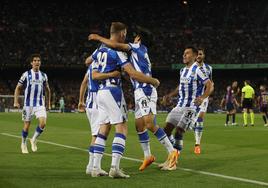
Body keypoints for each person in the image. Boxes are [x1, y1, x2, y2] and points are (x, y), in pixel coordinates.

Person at [89, 28, 178, 171]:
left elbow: (117, 46)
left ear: (138, 39)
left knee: (149, 124)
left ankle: (172, 152)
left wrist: (99, 38)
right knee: (139, 126)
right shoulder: (140, 52)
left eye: (135, 37)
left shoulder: (138, 47)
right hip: (139, 90)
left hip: (145, 89)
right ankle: (148, 156)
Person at [161, 46, 213, 170]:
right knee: (165, 131)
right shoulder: (182, 71)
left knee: (179, 131)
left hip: (191, 107)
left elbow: (210, 85)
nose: (184, 55)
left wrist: (203, 97)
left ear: (195, 56)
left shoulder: (199, 70)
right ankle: (171, 155)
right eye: (184, 53)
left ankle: (173, 161)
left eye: (187, 53)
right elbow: (180, 87)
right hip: (179, 105)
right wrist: (170, 95)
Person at [78, 56, 120, 176]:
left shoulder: (92, 66)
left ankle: (92, 166)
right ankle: (92, 166)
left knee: (97, 134)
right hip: (98, 103)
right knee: (97, 136)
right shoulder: (102, 66)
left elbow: (84, 82)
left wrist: (81, 100)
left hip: (90, 103)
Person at [14, 54, 51, 154]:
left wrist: (48, 103)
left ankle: (33, 139)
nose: (37, 62)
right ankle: (23, 143)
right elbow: (18, 88)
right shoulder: (26, 74)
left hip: (39, 104)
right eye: (35, 60)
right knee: (26, 126)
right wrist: (16, 101)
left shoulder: (44, 75)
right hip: (28, 105)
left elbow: (47, 90)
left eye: (38, 60)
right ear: (31, 63)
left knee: (43, 123)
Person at [192, 48, 213, 155]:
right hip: (191, 98)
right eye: (197, 54)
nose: (199, 56)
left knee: (200, 118)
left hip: (203, 97)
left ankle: (197, 144)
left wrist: (206, 96)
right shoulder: (191, 67)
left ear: (204, 55)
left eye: (201, 54)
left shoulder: (209, 68)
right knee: (191, 120)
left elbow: (210, 83)